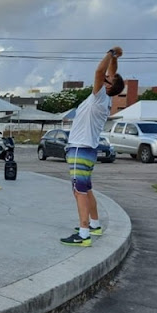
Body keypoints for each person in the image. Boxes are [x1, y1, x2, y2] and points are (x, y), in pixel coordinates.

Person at [60, 47, 125, 247]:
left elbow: (99, 72)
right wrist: (114, 59)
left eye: (107, 78)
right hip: (88, 149)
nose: (105, 76)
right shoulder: (106, 98)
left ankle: (84, 233)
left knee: (78, 192)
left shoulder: (99, 96)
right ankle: (94, 224)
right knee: (86, 189)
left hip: (80, 148)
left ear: (107, 86)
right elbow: (110, 74)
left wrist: (110, 52)